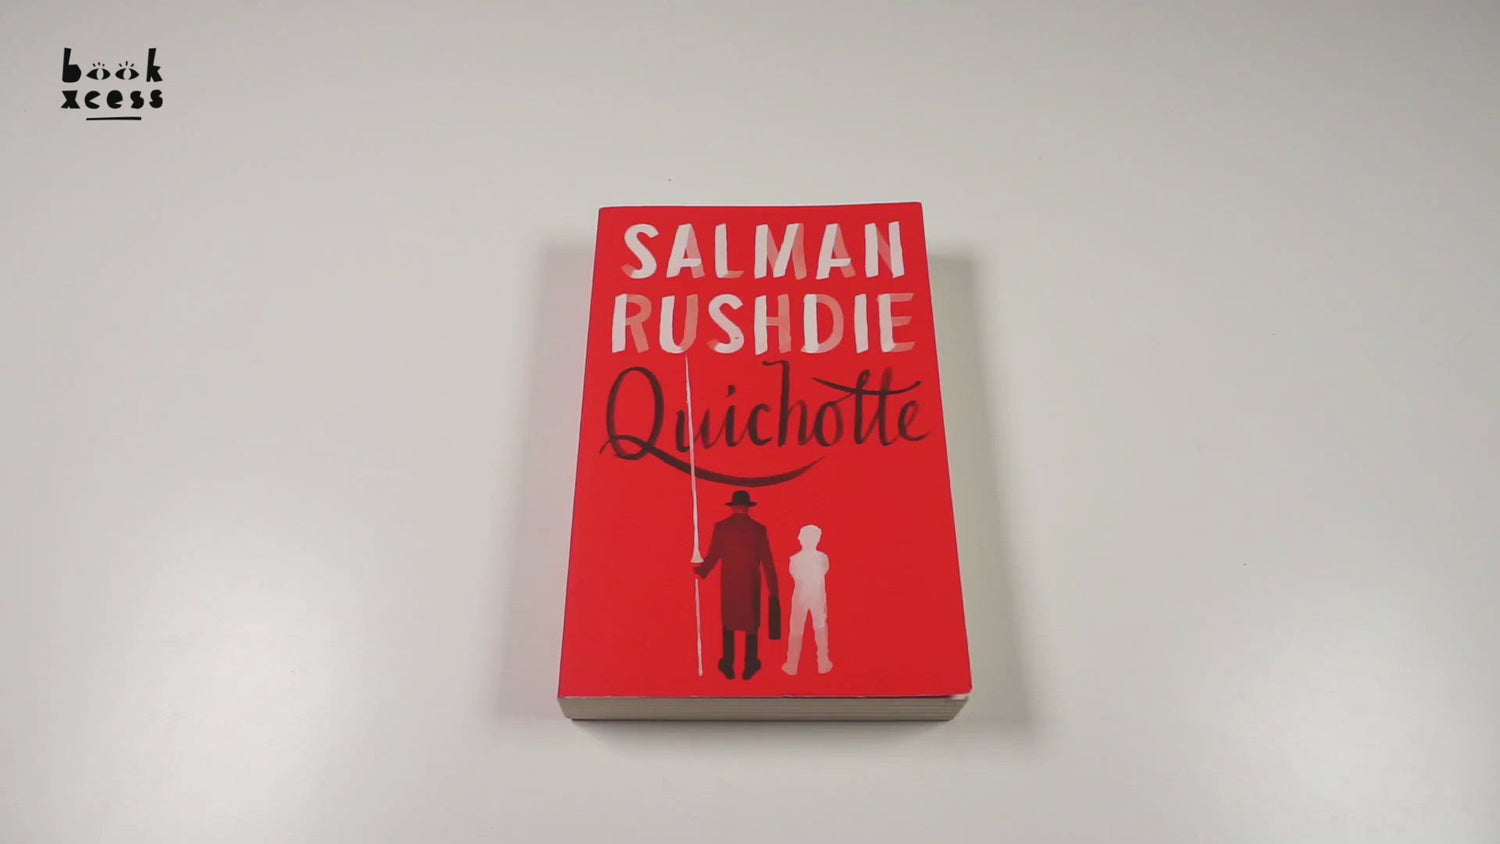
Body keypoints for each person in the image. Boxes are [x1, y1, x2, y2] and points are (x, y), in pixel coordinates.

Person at [694, 490, 781, 679]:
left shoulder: (722, 528)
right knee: (751, 625)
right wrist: (773, 589)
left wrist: (701, 571)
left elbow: (713, 555)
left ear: (733, 507)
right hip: (750, 584)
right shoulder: (758, 530)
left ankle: (728, 663)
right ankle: (750, 665)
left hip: (730, 585)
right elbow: (767, 562)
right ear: (748, 508)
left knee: (729, 624)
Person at [782, 525, 832, 675]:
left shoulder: (796, 559)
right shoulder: (821, 558)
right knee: (817, 626)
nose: (799, 538)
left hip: (803, 595)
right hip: (815, 595)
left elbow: (795, 574)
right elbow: (824, 570)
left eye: (801, 536)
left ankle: (794, 664)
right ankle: (821, 662)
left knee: (802, 628)